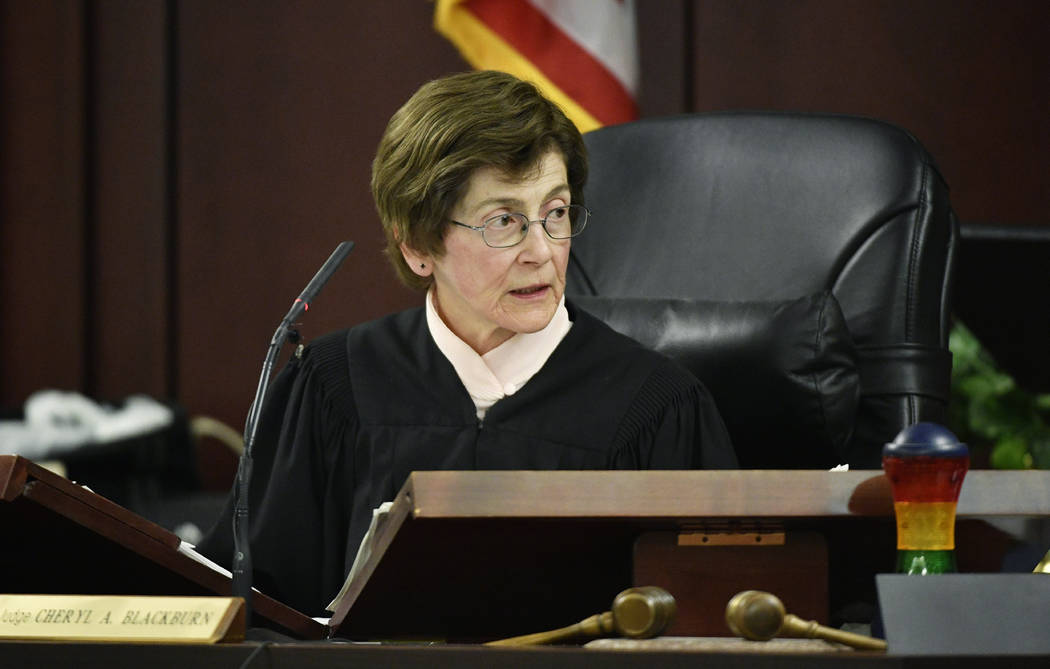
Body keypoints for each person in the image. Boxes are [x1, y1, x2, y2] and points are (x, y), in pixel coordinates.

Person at [198, 70, 736, 617]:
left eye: (555, 213)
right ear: (417, 247)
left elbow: (717, 622)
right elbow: (250, 613)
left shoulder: (657, 408)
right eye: (503, 221)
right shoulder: (334, 388)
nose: (541, 251)